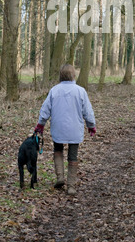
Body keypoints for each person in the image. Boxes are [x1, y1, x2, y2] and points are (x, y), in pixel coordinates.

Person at [35, 64, 96, 195]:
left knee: (58, 150)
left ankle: (60, 177)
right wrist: (91, 125)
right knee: (73, 156)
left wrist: (40, 125)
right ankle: (71, 186)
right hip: (75, 129)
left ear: (60, 76)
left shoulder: (54, 90)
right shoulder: (80, 91)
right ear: (73, 75)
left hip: (58, 127)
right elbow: (88, 112)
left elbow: (45, 110)